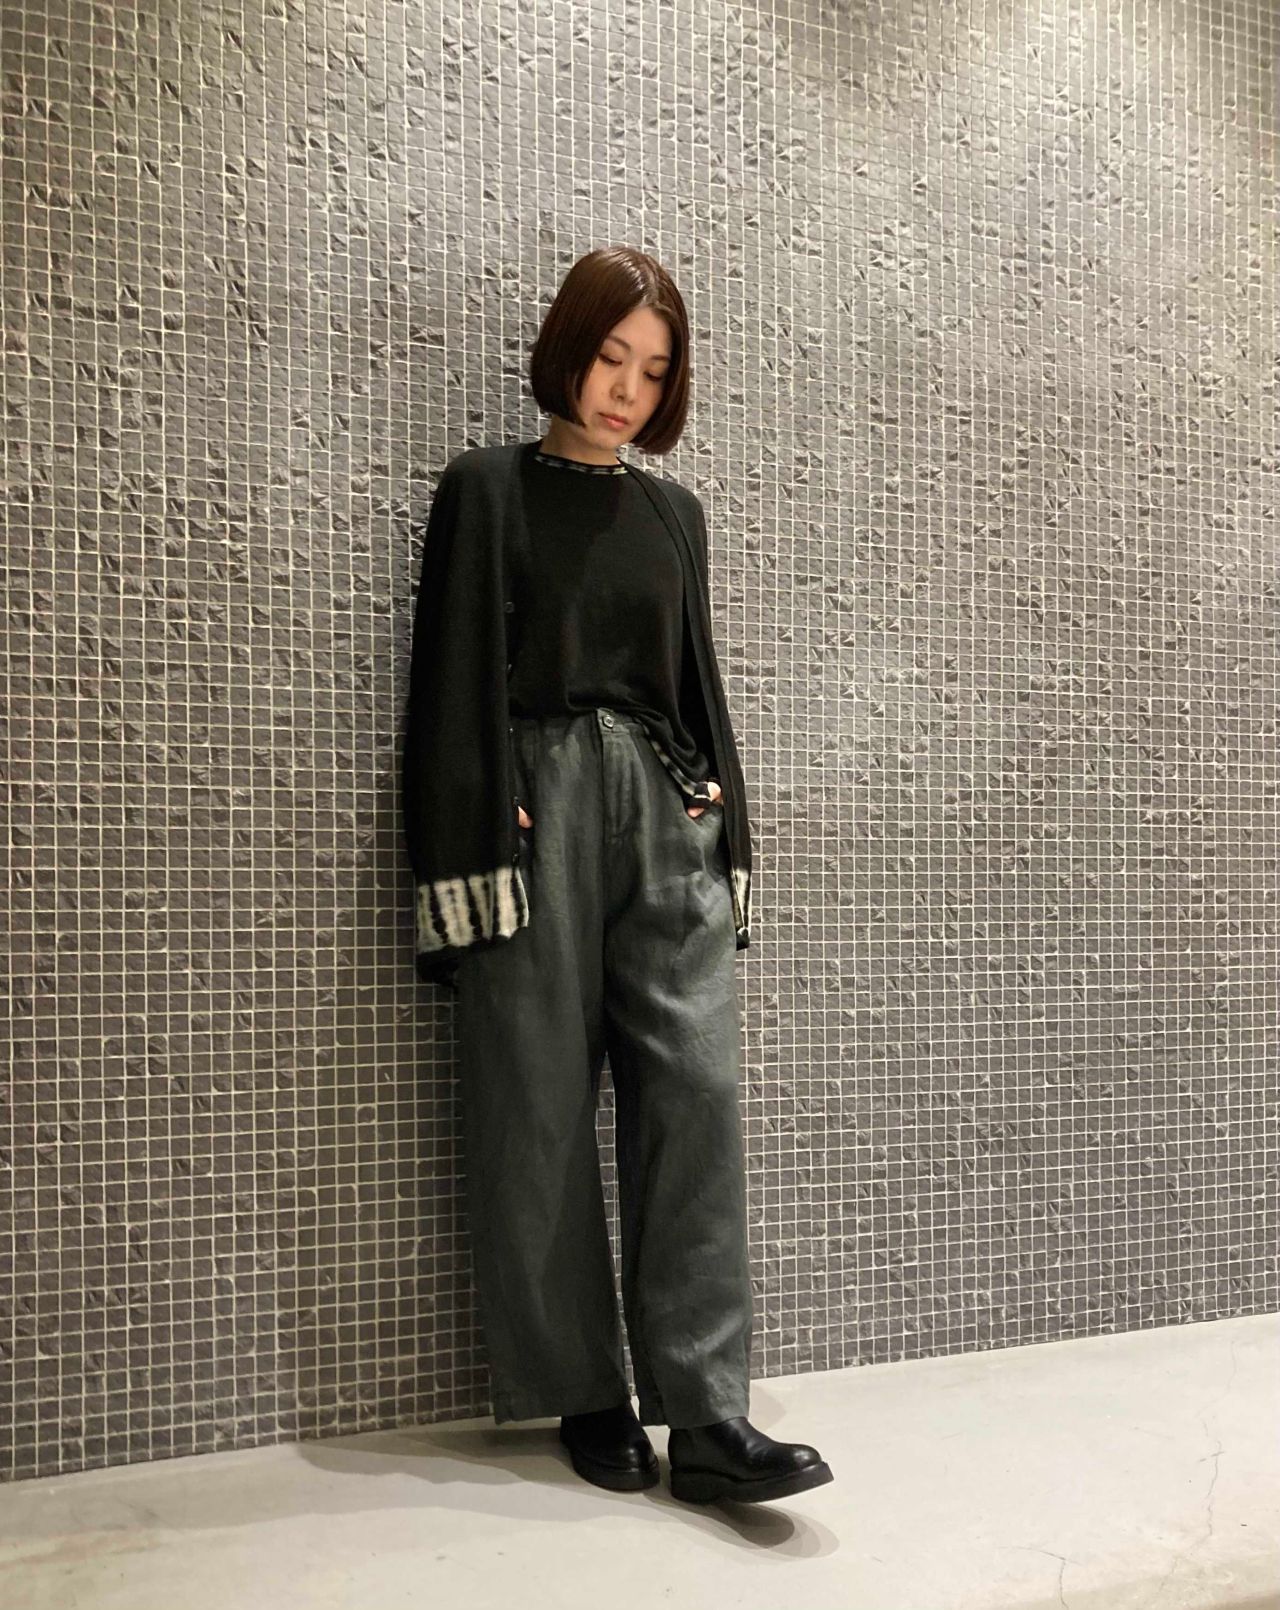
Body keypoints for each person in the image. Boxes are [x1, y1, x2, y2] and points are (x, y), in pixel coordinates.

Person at [402, 245, 832, 1505]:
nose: (625, 391)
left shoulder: (670, 513)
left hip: (662, 807)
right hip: (534, 807)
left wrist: (720, 820)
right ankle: (584, 1387)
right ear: (566, 349)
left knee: (695, 1092)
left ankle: (706, 1415)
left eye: (650, 372)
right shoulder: (486, 489)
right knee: (533, 1097)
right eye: (608, 358)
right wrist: (476, 820)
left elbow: (695, 686)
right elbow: (450, 675)